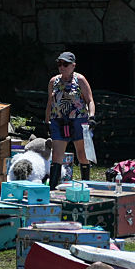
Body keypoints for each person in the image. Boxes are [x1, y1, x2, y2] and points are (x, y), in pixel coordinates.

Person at [45, 51, 95, 189]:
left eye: (65, 64)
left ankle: (86, 184)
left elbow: (90, 100)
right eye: (59, 64)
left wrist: (91, 117)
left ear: (73, 65)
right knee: (56, 155)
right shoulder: (53, 81)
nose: (62, 67)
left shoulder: (80, 80)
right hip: (59, 120)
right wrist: (46, 120)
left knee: (82, 154)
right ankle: (53, 188)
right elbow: (50, 102)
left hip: (78, 120)